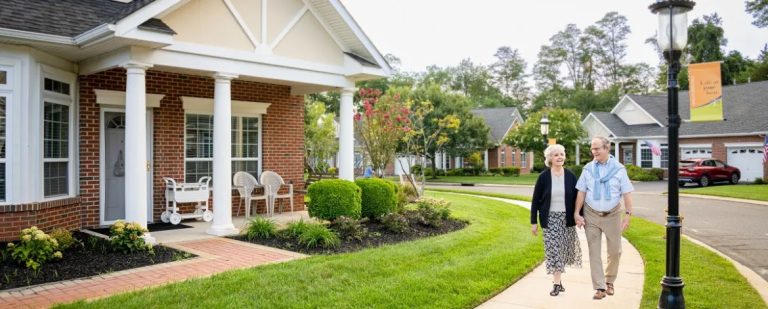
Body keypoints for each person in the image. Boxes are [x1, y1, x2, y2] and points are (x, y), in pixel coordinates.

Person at [574, 136, 634, 300]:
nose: (594, 152)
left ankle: (609, 281)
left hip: (613, 215)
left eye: (597, 148)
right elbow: (581, 191)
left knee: (615, 251)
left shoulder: (619, 169)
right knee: (594, 252)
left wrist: (628, 215)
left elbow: (627, 193)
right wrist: (576, 213)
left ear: (607, 148)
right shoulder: (587, 169)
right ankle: (600, 287)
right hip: (591, 214)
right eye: (592, 149)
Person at [530, 144, 582, 296]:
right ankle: (557, 284)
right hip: (550, 218)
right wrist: (533, 222)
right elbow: (535, 201)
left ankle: (558, 280)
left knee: (562, 251)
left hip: (566, 219)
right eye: (556, 155)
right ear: (550, 159)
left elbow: (579, 197)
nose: (560, 157)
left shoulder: (571, 176)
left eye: (562, 154)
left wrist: (579, 216)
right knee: (553, 250)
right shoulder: (543, 177)